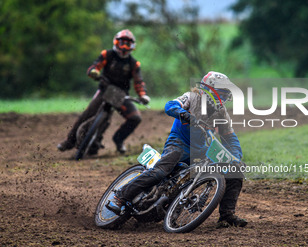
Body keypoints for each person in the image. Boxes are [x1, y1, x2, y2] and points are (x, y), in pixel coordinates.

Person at [107, 71, 248, 228]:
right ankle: (120, 196)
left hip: (201, 150)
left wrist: (236, 158)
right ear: (209, 90)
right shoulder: (191, 97)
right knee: (161, 171)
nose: (223, 99)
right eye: (221, 93)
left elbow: (230, 138)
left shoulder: (221, 113)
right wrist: (184, 115)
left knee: (235, 172)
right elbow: (170, 106)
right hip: (179, 143)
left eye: (226, 95)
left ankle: (226, 216)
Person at [57, 29, 150, 154]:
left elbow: (138, 82)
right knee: (87, 114)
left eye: (128, 44)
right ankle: (69, 141)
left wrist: (143, 95)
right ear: (116, 42)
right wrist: (94, 72)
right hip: (105, 90)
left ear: (132, 47)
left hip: (121, 95)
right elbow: (95, 66)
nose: (124, 47)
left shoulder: (134, 64)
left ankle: (118, 139)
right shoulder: (107, 54)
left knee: (135, 118)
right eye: (122, 43)